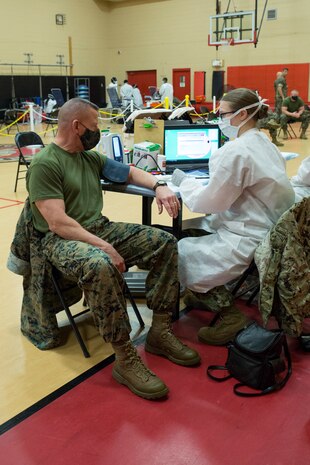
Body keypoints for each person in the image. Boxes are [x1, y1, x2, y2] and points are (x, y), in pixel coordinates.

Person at [26, 97, 200, 400]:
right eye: (94, 128)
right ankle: (124, 357)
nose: (97, 134)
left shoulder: (88, 157)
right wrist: (106, 246)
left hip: (98, 229)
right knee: (100, 264)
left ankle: (160, 331)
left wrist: (159, 186)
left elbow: (131, 172)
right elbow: (57, 223)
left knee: (164, 242)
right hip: (62, 241)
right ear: (77, 126)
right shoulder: (45, 163)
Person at [171, 88, 295, 346]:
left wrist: (185, 182)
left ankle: (229, 316)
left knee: (177, 251)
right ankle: (203, 292)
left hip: (248, 237)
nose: (219, 118)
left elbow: (209, 202)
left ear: (243, 114)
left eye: (223, 113)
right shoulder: (265, 143)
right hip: (270, 231)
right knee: (196, 230)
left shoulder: (235, 152)